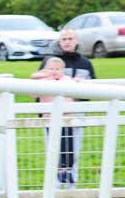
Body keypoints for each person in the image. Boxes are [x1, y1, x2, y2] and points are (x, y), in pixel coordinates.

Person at [39, 29, 95, 186]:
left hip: (75, 110)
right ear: (59, 42)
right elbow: (38, 85)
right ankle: (54, 185)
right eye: (64, 39)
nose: (67, 42)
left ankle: (72, 184)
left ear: (76, 41)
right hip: (51, 112)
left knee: (73, 149)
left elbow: (92, 87)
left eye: (70, 38)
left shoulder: (85, 63)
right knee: (53, 149)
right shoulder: (50, 62)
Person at [31, 56, 77, 188]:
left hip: (66, 119)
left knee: (68, 147)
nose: (54, 71)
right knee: (53, 147)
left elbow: (76, 89)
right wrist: (39, 76)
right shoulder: (43, 81)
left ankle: (67, 171)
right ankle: (57, 172)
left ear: (63, 70)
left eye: (57, 69)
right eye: (51, 68)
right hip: (50, 120)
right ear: (45, 69)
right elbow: (32, 94)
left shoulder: (67, 80)